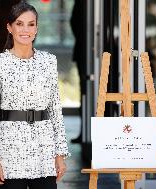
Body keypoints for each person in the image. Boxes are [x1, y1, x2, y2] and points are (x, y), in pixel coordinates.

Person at [0, 2, 70, 189]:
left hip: (44, 148)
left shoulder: (48, 61)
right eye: (19, 23)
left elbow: (55, 108)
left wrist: (60, 154)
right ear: (9, 27)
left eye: (31, 24)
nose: (25, 30)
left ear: (37, 28)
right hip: (10, 150)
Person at [70, 0, 86, 143]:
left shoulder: (82, 4)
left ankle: (86, 132)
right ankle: (87, 132)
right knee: (86, 92)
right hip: (85, 51)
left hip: (84, 50)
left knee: (85, 92)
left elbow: (74, 22)